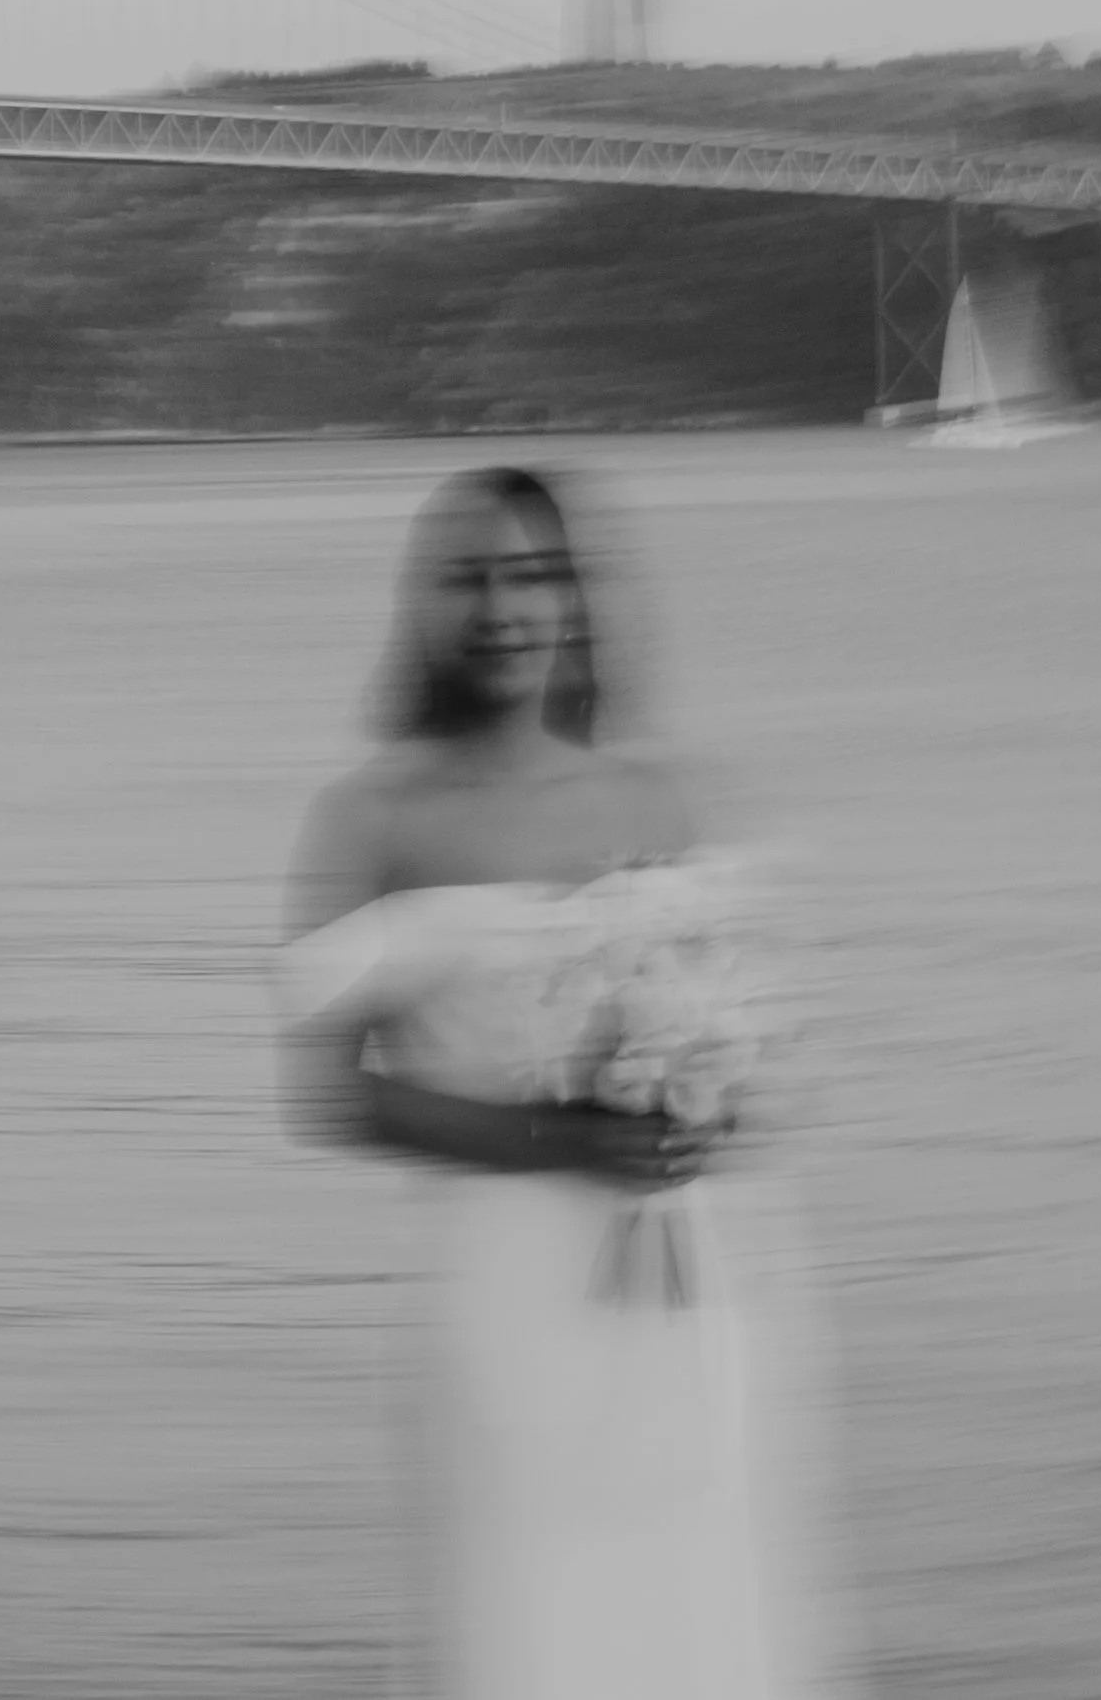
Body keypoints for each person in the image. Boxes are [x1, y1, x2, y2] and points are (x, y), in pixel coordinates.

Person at [278, 464, 842, 1700]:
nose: (504, 610)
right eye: (469, 579)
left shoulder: (662, 794)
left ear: (579, 599)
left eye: (534, 575)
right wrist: (555, 1138)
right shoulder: (372, 814)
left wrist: (706, 1092)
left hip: (694, 1276)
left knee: (704, 1584)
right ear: (420, 605)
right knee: (527, 1604)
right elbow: (323, 1096)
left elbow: (737, 1013)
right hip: (504, 1282)